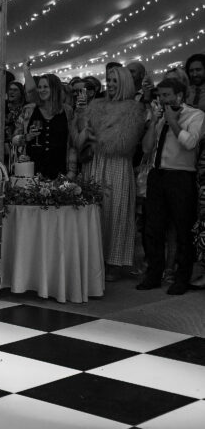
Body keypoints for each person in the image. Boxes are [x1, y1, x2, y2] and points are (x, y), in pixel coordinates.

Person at [75, 66, 147, 281]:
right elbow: (82, 134)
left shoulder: (134, 109)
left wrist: (95, 137)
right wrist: (85, 130)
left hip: (116, 167)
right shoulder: (96, 105)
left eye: (116, 81)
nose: (111, 85)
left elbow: (124, 143)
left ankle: (114, 262)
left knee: (115, 212)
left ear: (124, 82)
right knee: (95, 212)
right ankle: (94, 258)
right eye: (109, 80)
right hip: (94, 164)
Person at [137, 79, 204, 295]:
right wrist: (155, 124)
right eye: (160, 95)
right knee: (153, 227)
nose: (162, 100)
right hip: (157, 175)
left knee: (182, 228)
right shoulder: (159, 117)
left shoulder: (196, 116)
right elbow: (147, 148)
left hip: (181, 176)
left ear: (179, 96)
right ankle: (153, 273)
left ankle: (181, 277)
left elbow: (190, 142)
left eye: (167, 95)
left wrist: (173, 121)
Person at [13, 72, 76, 179]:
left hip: (59, 170)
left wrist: (72, 171)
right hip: (32, 171)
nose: (41, 90)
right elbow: (14, 139)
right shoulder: (28, 109)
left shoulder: (67, 111)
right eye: (39, 87)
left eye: (46, 87)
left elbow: (72, 143)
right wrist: (27, 137)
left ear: (55, 88)